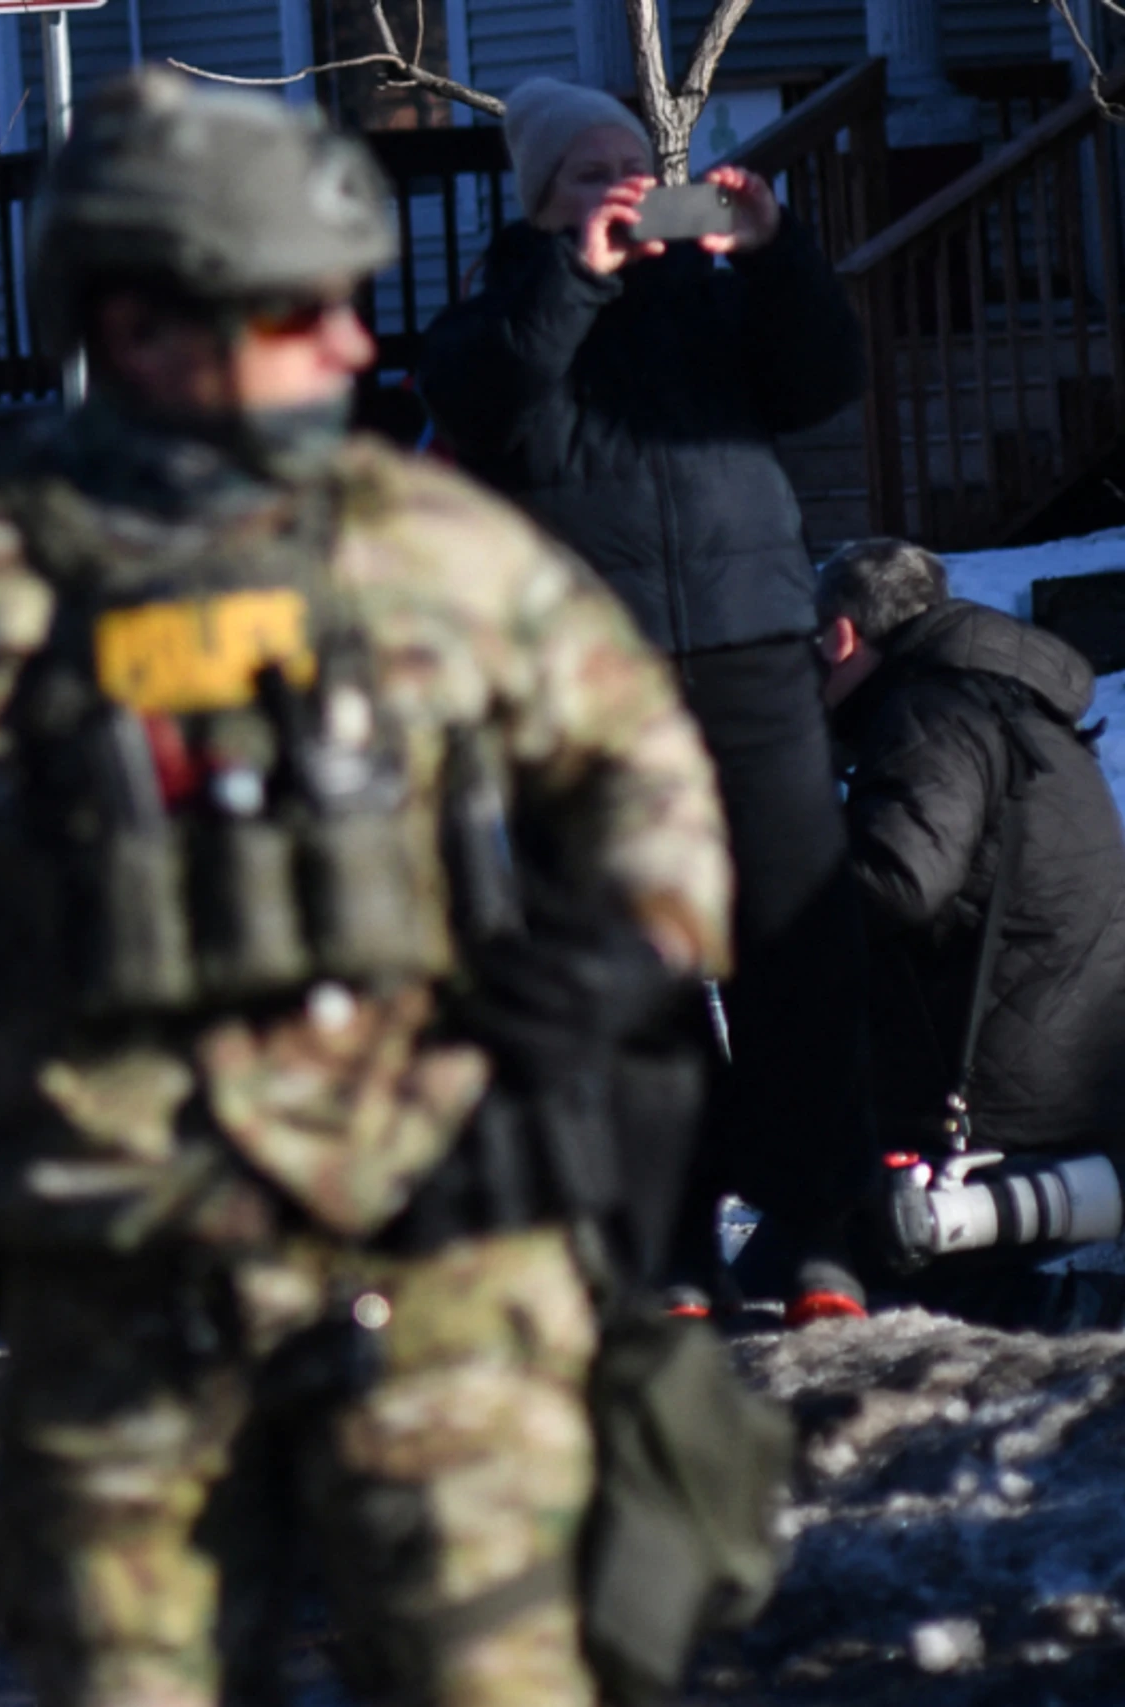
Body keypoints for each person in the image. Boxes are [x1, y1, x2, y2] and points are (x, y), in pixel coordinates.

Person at [0, 70, 733, 1707]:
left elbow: (653, 778)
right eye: (295, 310)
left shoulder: (431, 550)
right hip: (119, 1309)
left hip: (444, 1280)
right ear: (139, 326)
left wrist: (614, 955)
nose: (351, 345)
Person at [419, 78, 876, 1322]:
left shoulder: (712, 300)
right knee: (628, 967)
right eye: (588, 172)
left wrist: (774, 253)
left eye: (635, 165)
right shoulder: (499, 311)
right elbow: (483, 395)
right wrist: (577, 273)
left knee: (797, 944)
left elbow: (822, 379)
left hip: (751, 651)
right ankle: (667, 1244)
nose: (622, 186)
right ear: (539, 201)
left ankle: (814, 1233)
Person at [817, 540, 1125, 1318]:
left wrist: (772, 883)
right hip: (1069, 1073)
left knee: (806, 1275)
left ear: (841, 637)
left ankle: (1078, 1315)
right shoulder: (1017, 706)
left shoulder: (932, 709)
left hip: (985, 1110)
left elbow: (897, 881)